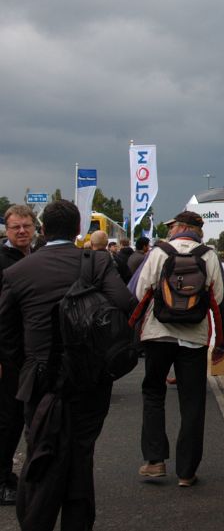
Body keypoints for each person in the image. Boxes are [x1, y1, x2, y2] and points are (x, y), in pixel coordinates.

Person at [0, 200, 135, 530]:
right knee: (80, 452)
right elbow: (125, 304)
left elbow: (5, 331)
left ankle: (36, 518)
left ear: (42, 230)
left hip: (40, 378)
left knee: (42, 448)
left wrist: (26, 363)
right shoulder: (96, 262)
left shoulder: (17, 273)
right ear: (79, 230)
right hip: (88, 377)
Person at [134, 210, 224, 487]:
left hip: (158, 335)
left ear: (178, 227)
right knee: (192, 402)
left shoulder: (159, 251)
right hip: (194, 338)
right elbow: (221, 300)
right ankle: (187, 472)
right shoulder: (209, 255)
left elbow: (141, 292)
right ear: (198, 230)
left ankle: (154, 461)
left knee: (153, 393)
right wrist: (221, 343)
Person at [0, 205, 36, 505]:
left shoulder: (37, 258)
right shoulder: (2, 260)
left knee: (30, 417)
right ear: (7, 230)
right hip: (7, 355)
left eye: (26, 226)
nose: (22, 231)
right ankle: (2, 480)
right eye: (16, 227)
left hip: (32, 352)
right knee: (8, 420)